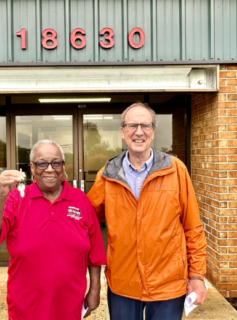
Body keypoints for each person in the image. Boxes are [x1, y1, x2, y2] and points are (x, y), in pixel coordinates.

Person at [87, 102, 207, 320]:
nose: (139, 131)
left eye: (145, 125)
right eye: (132, 125)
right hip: (123, 284)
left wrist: (197, 275)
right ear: (122, 131)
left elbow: (193, 227)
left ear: (153, 130)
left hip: (168, 284)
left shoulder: (175, 169)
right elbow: (85, 221)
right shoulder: (108, 174)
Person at [0, 139, 106, 320]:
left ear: (63, 167)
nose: (49, 169)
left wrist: (95, 290)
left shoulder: (80, 200)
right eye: (41, 163)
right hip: (26, 306)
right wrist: (0, 194)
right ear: (32, 168)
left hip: (70, 305)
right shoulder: (16, 198)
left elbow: (95, 252)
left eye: (56, 163)